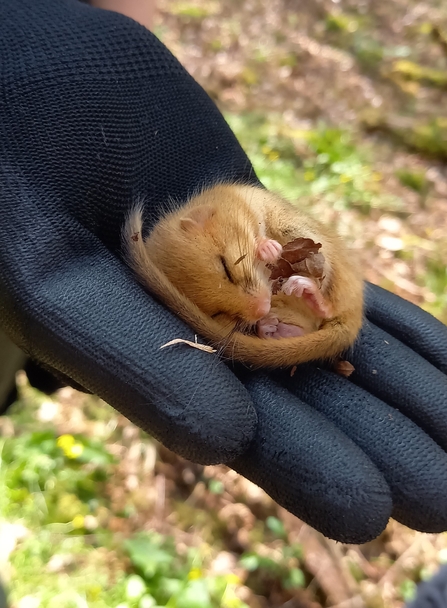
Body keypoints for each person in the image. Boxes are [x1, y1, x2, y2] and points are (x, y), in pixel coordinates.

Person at [1, 0, 447, 546]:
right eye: (216, 310)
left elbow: (254, 219)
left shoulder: (221, 214)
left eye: (231, 276)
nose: (250, 302)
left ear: (203, 225)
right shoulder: (204, 250)